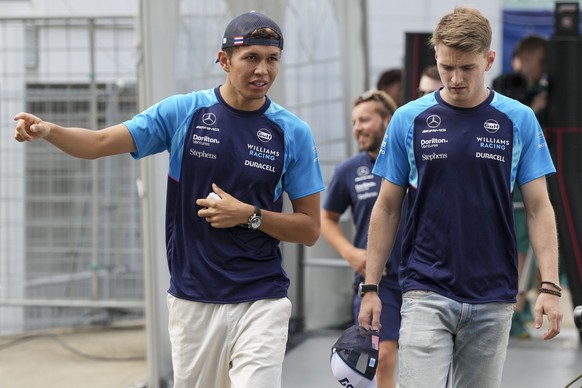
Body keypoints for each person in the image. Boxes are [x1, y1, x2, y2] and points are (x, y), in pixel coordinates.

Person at [12, 11, 324, 388]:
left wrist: (249, 215)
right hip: (193, 300)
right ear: (224, 60)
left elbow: (309, 229)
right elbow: (96, 144)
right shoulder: (183, 113)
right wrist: (49, 131)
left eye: (272, 59)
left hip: (262, 298)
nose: (263, 70)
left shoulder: (293, 132)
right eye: (251, 58)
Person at [358, 6, 563, 388]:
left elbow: (538, 207)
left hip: (493, 294)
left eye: (467, 68)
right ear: (436, 56)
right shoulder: (408, 119)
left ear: (489, 60)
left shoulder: (517, 119)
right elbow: (386, 208)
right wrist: (371, 287)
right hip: (425, 290)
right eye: (447, 67)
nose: (454, 78)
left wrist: (549, 286)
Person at [321, 89, 401, 388]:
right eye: (354, 121)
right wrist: (350, 253)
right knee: (381, 356)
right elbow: (326, 218)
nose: (357, 128)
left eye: (365, 120)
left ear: (388, 121)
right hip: (377, 283)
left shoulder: (412, 163)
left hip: (423, 278)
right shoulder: (348, 171)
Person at [493, 34, 549, 338]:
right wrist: (534, 108)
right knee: (512, 240)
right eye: (541, 60)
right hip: (505, 175)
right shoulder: (503, 84)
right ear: (525, 57)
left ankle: (520, 301)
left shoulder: (546, 89)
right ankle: (511, 302)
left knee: (528, 240)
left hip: (532, 173)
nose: (543, 67)